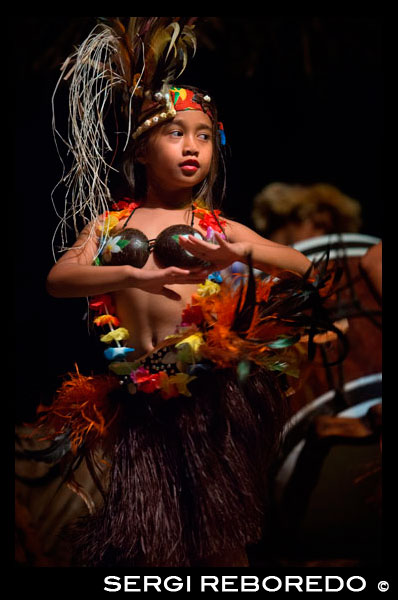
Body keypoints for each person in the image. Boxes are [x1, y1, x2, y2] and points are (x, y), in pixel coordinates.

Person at [31, 17, 339, 568]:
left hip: (210, 400)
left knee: (215, 540)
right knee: (140, 539)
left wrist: (233, 256)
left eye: (203, 136)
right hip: (134, 399)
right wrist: (133, 275)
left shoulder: (217, 227)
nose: (192, 147)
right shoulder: (108, 226)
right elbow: (60, 280)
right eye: (176, 134)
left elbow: (303, 266)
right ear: (142, 152)